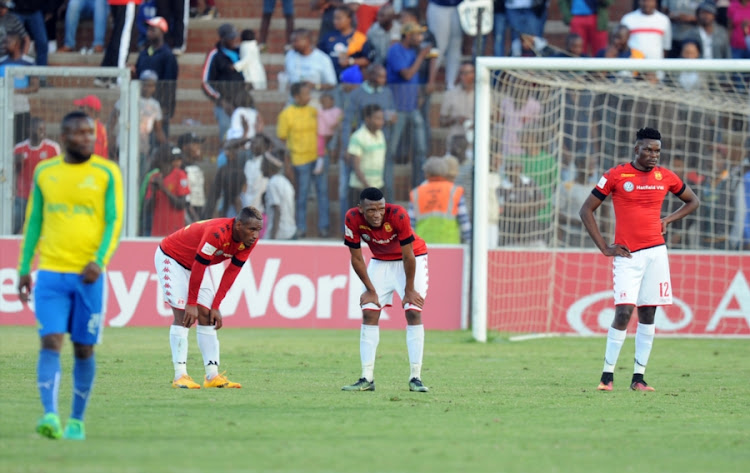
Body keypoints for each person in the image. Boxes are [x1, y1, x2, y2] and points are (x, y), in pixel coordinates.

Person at [17, 111, 125, 440]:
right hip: (51, 273)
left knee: (83, 349)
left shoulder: (107, 172)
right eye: (78, 133)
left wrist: (99, 260)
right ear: (63, 137)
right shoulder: (45, 171)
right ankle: (50, 416)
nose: (86, 138)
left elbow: (113, 221)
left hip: (88, 277)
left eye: (89, 132)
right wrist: (24, 267)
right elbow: (34, 220)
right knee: (50, 340)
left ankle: (76, 421)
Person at [579, 127, 700, 392]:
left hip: (656, 253)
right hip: (627, 254)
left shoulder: (665, 176)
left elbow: (692, 201)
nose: (653, 155)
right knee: (623, 313)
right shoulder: (616, 175)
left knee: (648, 313)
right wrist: (604, 247)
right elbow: (586, 210)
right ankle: (607, 376)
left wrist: (667, 219)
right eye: (648, 149)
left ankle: (638, 378)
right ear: (636, 149)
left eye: (657, 150)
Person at [155, 206, 263, 389]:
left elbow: (231, 272)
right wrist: (191, 302)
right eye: (251, 229)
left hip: (196, 264)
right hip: (172, 258)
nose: (255, 234)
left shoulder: (249, 242)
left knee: (206, 315)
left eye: (258, 230)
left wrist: (216, 305)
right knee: (183, 316)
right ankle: (180, 375)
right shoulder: (217, 233)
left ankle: (212, 376)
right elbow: (199, 265)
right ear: (238, 225)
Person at [341, 187, 429, 393]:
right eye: (371, 210)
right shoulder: (351, 218)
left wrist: (409, 289)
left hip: (412, 258)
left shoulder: (398, 215)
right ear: (360, 209)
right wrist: (370, 289)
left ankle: (415, 377)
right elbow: (356, 257)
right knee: (369, 311)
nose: (377, 214)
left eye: (380, 208)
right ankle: (366, 377)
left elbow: (408, 255)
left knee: (413, 311)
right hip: (380, 263)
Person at [277, 82, 330, 238]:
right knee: (302, 195)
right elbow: (282, 137)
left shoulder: (314, 111)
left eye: (309, 94)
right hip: (300, 159)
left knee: (323, 193)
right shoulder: (287, 114)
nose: (309, 97)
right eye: (306, 94)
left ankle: (324, 227)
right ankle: (300, 227)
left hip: (318, 158)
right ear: (296, 96)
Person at [13, 117, 61, 234]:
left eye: (44, 129)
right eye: (39, 129)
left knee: (44, 228)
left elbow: (59, 171)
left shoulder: (53, 148)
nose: (43, 132)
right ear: (30, 130)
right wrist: (16, 162)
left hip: (43, 196)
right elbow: (11, 172)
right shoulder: (19, 148)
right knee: (14, 225)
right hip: (23, 196)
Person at [409, 156, 470, 244]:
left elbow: (410, 225)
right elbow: (464, 222)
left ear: (426, 174)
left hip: (423, 247)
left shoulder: (417, 193)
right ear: (445, 173)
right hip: (450, 247)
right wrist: (470, 242)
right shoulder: (454, 191)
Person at [135, 16, 179, 137]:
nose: (149, 32)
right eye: (148, 29)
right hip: (142, 105)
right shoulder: (144, 53)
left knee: (158, 139)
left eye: (153, 29)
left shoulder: (168, 55)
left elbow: (170, 84)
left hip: (159, 106)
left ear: (162, 32)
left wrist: (166, 108)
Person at [0, 32, 39, 145]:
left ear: (17, 44)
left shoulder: (29, 62)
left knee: (21, 141)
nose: (4, 44)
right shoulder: (1, 61)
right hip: (3, 107)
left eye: (7, 42)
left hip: (21, 107)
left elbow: (35, 87)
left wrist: (15, 91)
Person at [143, 144, 190, 236]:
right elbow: (147, 209)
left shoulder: (180, 175)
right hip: (157, 232)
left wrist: (163, 189)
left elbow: (181, 204)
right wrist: (153, 192)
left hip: (175, 232)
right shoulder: (154, 177)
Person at [346, 103, 387, 205]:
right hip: (360, 189)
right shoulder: (358, 137)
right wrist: (368, 188)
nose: (381, 122)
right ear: (367, 119)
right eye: (377, 118)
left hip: (378, 186)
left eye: (382, 118)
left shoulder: (380, 134)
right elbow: (356, 167)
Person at [262, 150, 297, 240]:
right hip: (290, 231)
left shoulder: (272, 183)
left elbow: (277, 210)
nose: (261, 166)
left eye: (263, 163)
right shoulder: (285, 181)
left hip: (280, 235)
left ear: (270, 166)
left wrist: (273, 238)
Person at [73, 95, 108, 159]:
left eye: (82, 107)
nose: (79, 110)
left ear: (91, 111)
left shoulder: (97, 128)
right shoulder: (100, 127)